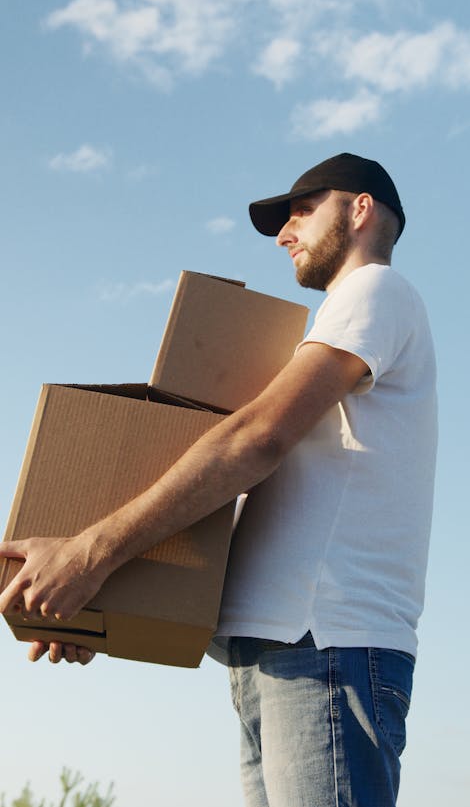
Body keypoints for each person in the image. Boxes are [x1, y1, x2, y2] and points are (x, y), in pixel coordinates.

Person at [0, 152, 438, 807]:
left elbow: (255, 439)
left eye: (301, 211)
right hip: (274, 654)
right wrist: (97, 605)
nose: (286, 233)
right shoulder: (341, 325)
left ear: (361, 207)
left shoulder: (375, 289)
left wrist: (90, 554)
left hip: (327, 647)